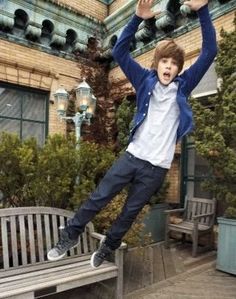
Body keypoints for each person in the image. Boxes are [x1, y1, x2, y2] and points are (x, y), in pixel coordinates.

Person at [47, 0, 217, 267]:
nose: (169, 67)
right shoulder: (144, 79)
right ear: (157, 63)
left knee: (129, 212)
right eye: (165, 61)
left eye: (174, 63)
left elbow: (209, 51)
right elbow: (120, 51)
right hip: (132, 156)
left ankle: (108, 247)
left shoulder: (183, 87)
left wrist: (203, 10)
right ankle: (71, 233)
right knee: (99, 197)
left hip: (157, 167)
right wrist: (137, 18)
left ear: (179, 68)